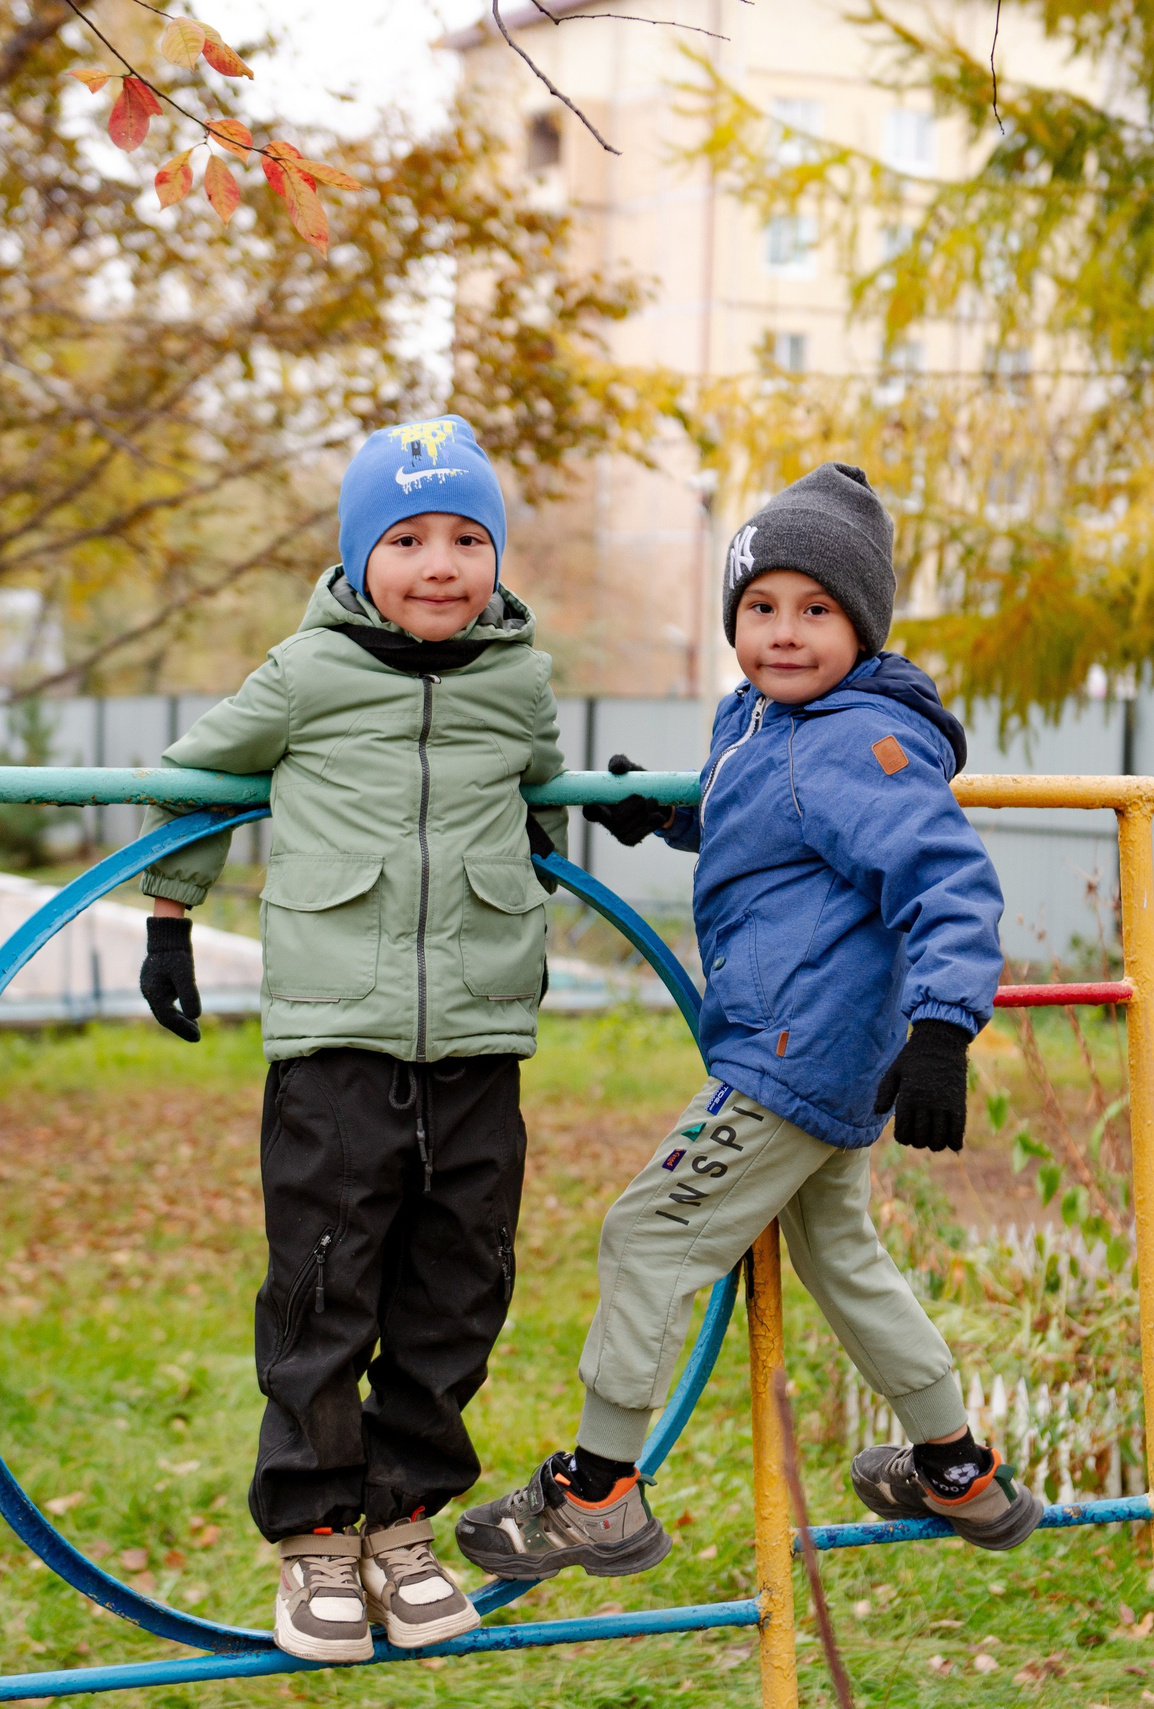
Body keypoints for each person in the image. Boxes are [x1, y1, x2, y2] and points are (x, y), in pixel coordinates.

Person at [455, 462, 1039, 1584]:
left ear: (862, 626)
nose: (783, 633)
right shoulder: (765, 723)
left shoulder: (857, 739)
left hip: (790, 1054)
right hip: (806, 1055)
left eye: (817, 610)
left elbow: (946, 880)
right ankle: (956, 1462)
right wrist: (668, 811)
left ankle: (597, 1490)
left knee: (649, 1233)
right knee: (843, 1256)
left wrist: (943, 1028)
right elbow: (773, 828)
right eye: (761, 608)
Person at [131, 416, 569, 1662]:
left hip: (481, 1039)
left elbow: (537, 784)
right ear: (358, 554)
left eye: (468, 539)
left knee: (459, 1284)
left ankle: (405, 1519)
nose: (441, 564)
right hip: (337, 1041)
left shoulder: (518, 678)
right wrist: (173, 916)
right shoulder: (308, 671)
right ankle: (320, 1535)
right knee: (326, 1283)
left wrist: (569, 828)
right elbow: (196, 771)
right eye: (409, 538)